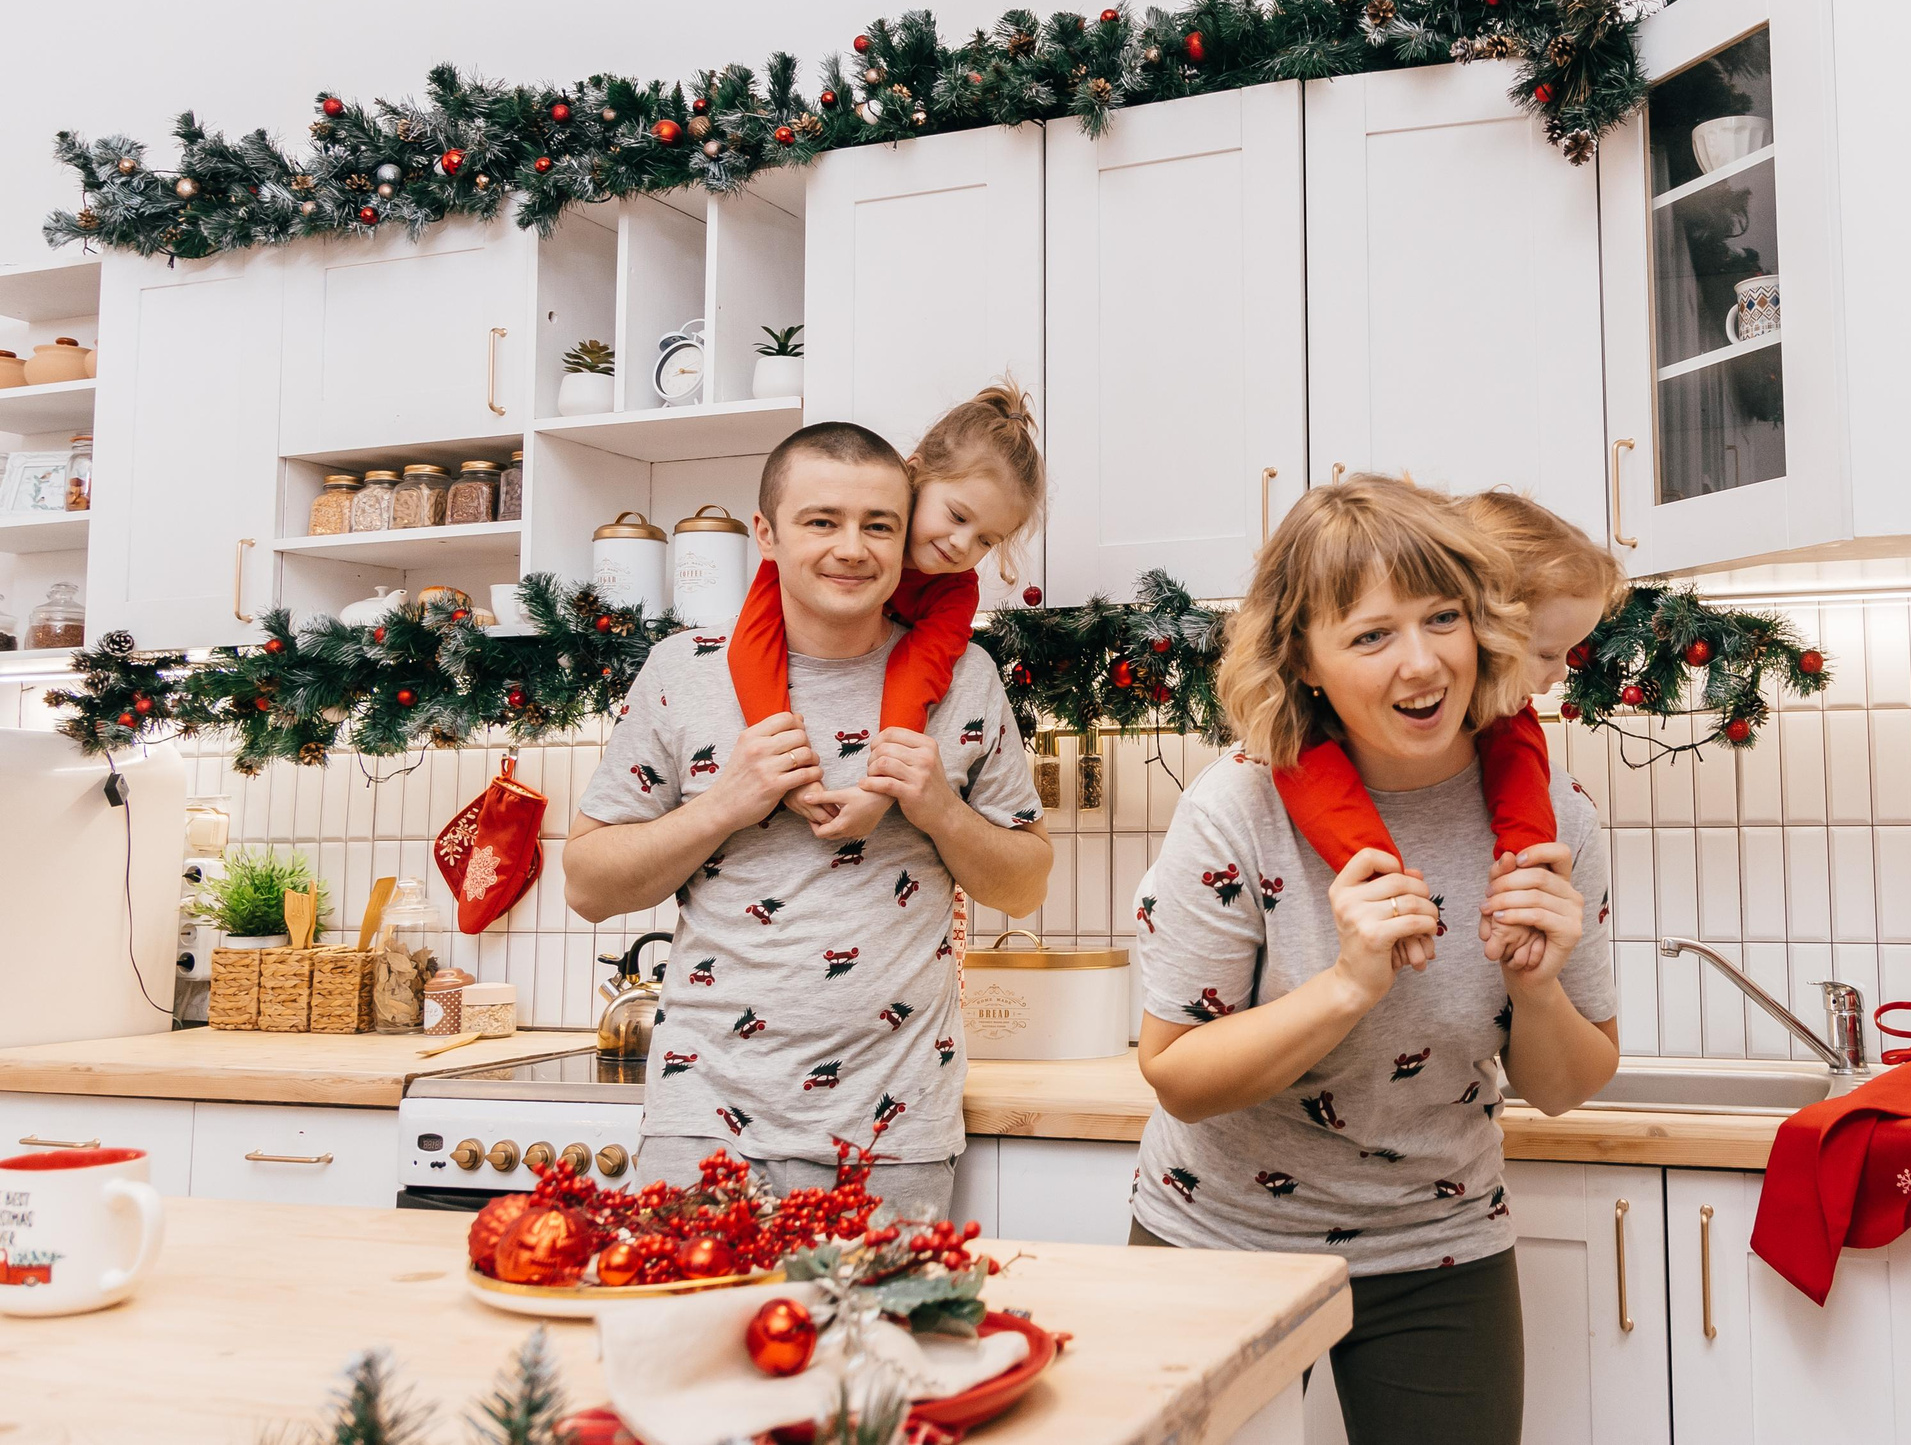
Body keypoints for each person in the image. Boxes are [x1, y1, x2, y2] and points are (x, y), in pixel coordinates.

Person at [1130, 475, 1620, 1445]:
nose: (1421, 662)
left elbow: (1567, 1085)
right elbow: (1178, 1075)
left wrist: (1532, 983)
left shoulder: (1555, 817)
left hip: (1440, 1248)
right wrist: (1350, 984)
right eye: (1368, 635)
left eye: (1442, 618)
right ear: (1303, 663)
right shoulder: (1236, 809)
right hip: (1221, 1238)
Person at [563, 420, 1050, 1219]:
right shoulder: (682, 671)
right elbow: (587, 884)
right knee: (694, 1344)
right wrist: (727, 801)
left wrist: (937, 809)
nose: (851, 548)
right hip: (703, 1122)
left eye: (879, 525)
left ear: (904, 532)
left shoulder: (965, 677)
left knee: (883, 1348)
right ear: (766, 532)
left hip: (897, 1133)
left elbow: (1026, 884)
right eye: (821, 521)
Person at [727, 379, 1045, 966]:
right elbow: (754, 643)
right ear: (913, 474)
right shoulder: (813, 554)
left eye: (986, 539)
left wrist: (883, 789)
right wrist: (786, 767)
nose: (960, 545)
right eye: (956, 516)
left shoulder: (955, 591)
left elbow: (919, 670)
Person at [1274, 487, 1627, 975]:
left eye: (1441, 619)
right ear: (1492, 626)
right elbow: (1171, 1054)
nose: (1420, 663)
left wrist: (1531, 961)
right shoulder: (1246, 798)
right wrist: (1356, 970)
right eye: (1547, 654)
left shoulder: (1564, 806)